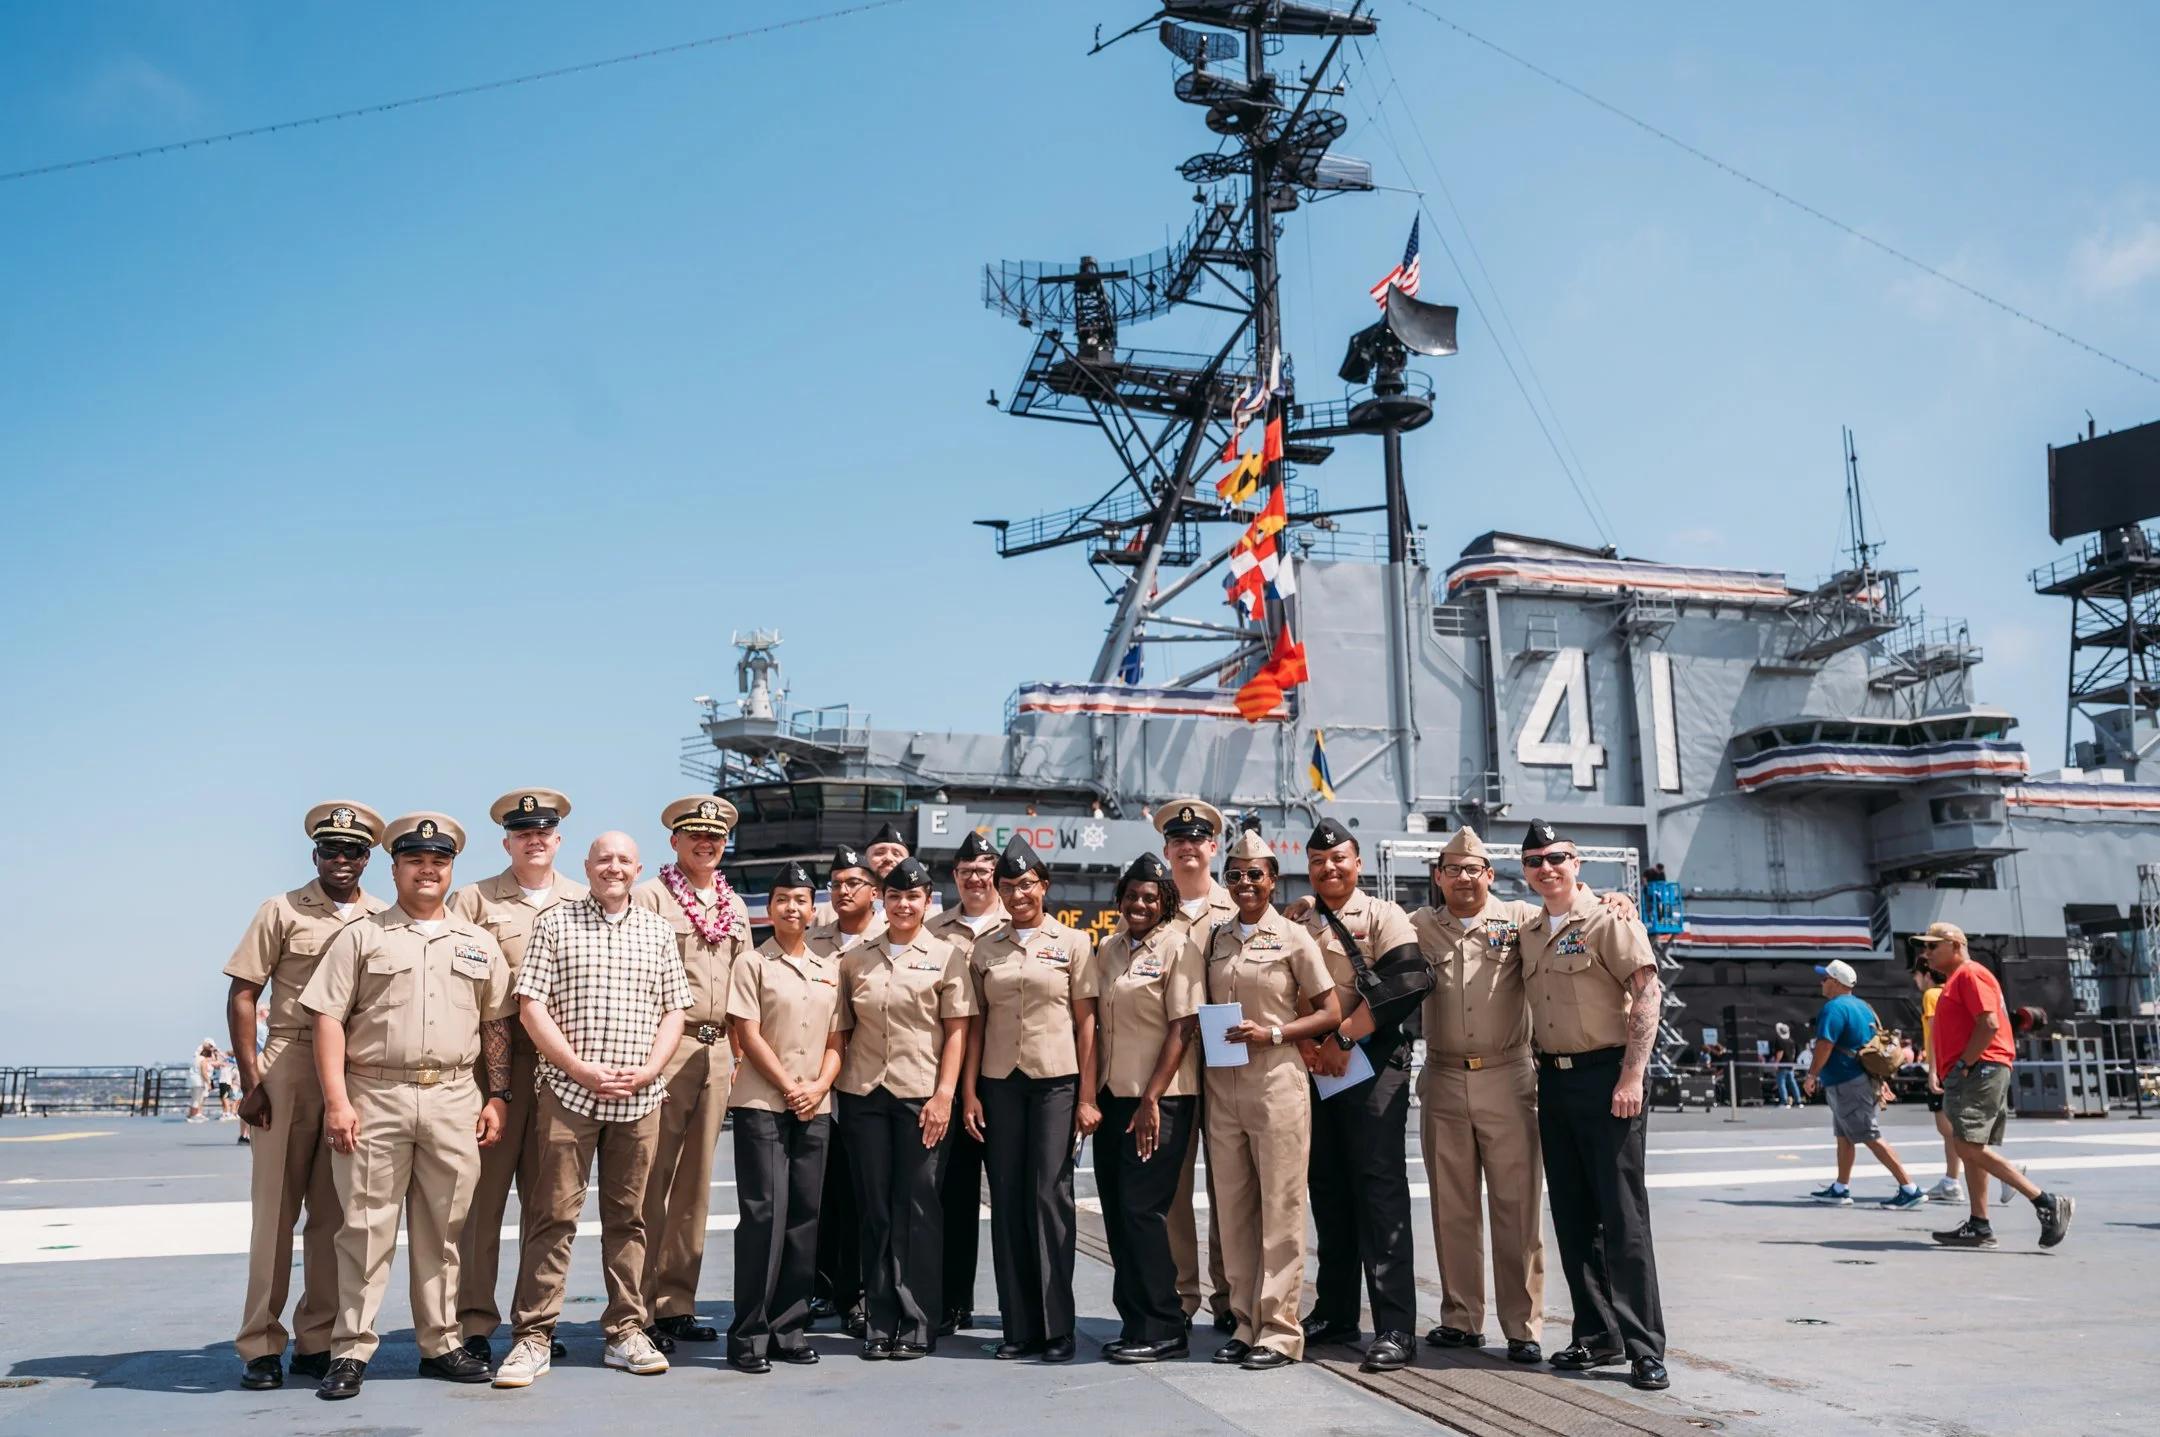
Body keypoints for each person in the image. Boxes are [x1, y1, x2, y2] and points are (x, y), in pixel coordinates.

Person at [300, 812, 515, 1400]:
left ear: (451, 870)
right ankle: (350, 1349)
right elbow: (327, 1020)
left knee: (444, 1230)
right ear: (393, 868)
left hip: (452, 1097)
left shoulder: (477, 943)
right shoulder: (361, 936)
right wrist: (337, 1101)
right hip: (375, 1096)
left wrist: (497, 1095)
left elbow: (496, 1022)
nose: (428, 869)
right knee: (365, 1229)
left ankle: (441, 1344)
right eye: (416, 860)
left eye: (439, 861)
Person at [493, 833, 690, 1388]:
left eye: (624, 860)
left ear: (638, 867)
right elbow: (530, 1004)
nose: (613, 867)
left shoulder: (657, 931)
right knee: (551, 1215)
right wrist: (578, 1067)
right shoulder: (555, 923)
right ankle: (533, 1336)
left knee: (630, 1219)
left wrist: (652, 1069)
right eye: (603, 859)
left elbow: (675, 1010)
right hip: (568, 1093)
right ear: (586, 866)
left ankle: (627, 1329)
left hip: (639, 1097)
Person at [225, 800, 388, 1391]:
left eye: (352, 851)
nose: (341, 859)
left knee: (336, 1215)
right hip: (290, 1061)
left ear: (369, 857)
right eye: (330, 849)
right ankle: (260, 1343)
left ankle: (316, 1339)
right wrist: (251, 1083)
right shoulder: (282, 910)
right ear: (314, 854)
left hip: (356, 1069)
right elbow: (244, 993)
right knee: (274, 1214)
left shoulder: (384, 916)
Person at [1516, 819, 1668, 1392]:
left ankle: (1644, 1346)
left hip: (1610, 1078)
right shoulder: (1529, 930)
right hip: (1554, 1082)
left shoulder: (1609, 919)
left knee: (1623, 1218)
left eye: (1557, 857)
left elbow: (1648, 991)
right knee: (1574, 1216)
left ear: (1576, 863)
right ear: (1524, 871)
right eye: (1535, 860)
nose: (1547, 868)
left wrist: (1632, 1075)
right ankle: (1596, 1332)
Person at [446, 787, 590, 1364]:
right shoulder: (474, 901)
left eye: (544, 833)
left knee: (551, 1204)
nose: (534, 840)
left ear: (558, 841)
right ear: (507, 841)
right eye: (522, 832)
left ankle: (537, 1326)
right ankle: (475, 1324)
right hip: (495, 1071)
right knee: (482, 1205)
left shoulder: (583, 900)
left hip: (565, 1070)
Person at [1407, 825, 1549, 1365]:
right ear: (1438, 877)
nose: (1464, 878)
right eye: (1453, 870)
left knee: (1517, 1207)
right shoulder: (1418, 925)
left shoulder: (1520, 920)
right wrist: (1305, 904)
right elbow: (1362, 919)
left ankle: (1523, 1326)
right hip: (1442, 1076)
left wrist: (1617, 899)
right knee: (1453, 1205)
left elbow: (1570, 913)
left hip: (1509, 1076)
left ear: (1490, 874)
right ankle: (1462, 1318)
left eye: (1474, 869)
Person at [1203, 827, 1343, 1371]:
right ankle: (1243, 1321)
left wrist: (1278, 1033)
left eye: (1254, 876)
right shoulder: (1215, 938)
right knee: (1234, 1209)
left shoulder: (1293, 937)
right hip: (1224, 1084)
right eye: (1234, 875)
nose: (1244, 884)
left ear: (1271, 880)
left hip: (1276, 1081)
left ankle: (1280, 1330)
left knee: (1281, 1208)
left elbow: (1329, 1011)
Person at [1291, 817, 1427, 1375]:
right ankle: (1337, 1311)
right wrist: (1314, 1047)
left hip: (1370, 1065)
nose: (1330, 868)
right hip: (1316, 1068)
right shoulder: (1297, 918)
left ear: (1358, 863)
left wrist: (1344, 1037)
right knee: (1327, 1189)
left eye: (1339, 858)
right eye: (1320, 861)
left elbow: (1409, 981)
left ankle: (1395, 1325)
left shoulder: (1383, 915)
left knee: (1379, 1193)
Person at [961, 836, 1098, 1363]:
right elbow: (975, 1026)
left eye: (1026, 885)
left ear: (1043, 886)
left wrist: (1087, 1095)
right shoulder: (985, 948)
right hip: (1000, 1083)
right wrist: (970, 1091)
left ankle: (1057, 1328)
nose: (1018, 894)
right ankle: (1019, 1327)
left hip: (1055, 1083)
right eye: (1008, 886)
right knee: (1007, 1202)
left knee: (1048, 1199)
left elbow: (1087, 1024)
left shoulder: (1073, 943)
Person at [833, 856, 976, 1359]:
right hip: (865, 1097)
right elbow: (841, 1031)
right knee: (874, 1210)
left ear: (927, 901)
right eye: (894, 896)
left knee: (918, 1209)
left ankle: (919, 1322)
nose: (902, 904)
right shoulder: (855, 960)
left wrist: (945, 1095)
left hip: (922, 1097)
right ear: (882, 900)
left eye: (912, 897)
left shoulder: (947, 956)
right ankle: (880, 1320)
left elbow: (958, 1031)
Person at [630, 796, 754, 1353]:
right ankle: (638, 1306)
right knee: (651, 1178)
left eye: (716, 838)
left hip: (719, 1048)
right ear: (675, 841)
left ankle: (677, 1302)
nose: (707, 845)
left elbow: (747, 985)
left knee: (696, 1184)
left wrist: (742, 1054)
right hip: (667, 1045)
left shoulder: (734, 904)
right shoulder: (649, 898)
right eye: (695, 836)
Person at [724, 860, 846, 1373]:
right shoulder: (752, 963)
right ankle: (749, 1334)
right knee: (762, 1215)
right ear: (769, 908)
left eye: (800, 900)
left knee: (804, 1218)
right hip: (762, 1103)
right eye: (781, 900)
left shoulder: (829, 966)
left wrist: (817, 1087)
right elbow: (747, 1033)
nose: (791, 908)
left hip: (814, 1105)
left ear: (812, 908)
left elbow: (838, 1040)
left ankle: (789, 1328)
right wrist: (791, 1087)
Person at [1092, 853, 1203, 1364]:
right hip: (1114, 1100)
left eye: (1150, 898)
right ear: (1121, 899)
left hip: (1161, 1101)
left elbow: (1183, 1025)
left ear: (1165, 904)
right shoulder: (1110, 950)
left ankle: (1165, 1325)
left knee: (1143, 1211)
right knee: (1117, 1213)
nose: (1140, 904)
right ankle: (1135, 1320)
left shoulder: (1179, 948)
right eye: (1133, 896)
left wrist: (1153, 1098)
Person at [1917, 924, 2073, 1249]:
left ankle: (2045, 1201)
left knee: (1969, 1148)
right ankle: (1979, 1225)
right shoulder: (1960, 978)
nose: (1926, 953)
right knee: (1969, 1146)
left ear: (1956, 945)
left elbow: (1988, 1023)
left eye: (1934, 947)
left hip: (1980, 1069)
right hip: (1977, 1069)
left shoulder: (1970, 974)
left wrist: (1965, 1064)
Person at [1155, 797, 1237, 1333]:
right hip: (1173, 1064)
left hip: (1231, 1060)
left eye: (1197, 840)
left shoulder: (1239, 911)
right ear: (1166, 850)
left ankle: (1230, 1294)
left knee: (1232, 1184)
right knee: (1173, 1187)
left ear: (1213, 847)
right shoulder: (1148, 912)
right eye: (1178, 841)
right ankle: (1182, 1295)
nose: (1188, 847)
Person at [924, 828, 1004, 1334]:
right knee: (952, 1195)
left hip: (1006, 1076)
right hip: (951, 1079)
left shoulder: (1019, 921)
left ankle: (1020, 1306)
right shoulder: (933, 930)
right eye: (966, 871)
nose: (976, 878)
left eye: (984, 870)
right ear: (955, 876)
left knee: (1015, 1196)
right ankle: (954, 1301)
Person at [810, 844, 884, 1335]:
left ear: (875, 893)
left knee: (861, 1196)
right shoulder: (811, 940)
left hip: (866, 1083)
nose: (842, 891)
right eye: (835, 884)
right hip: (814, 1083)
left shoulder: (890, 939)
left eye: (853, 883)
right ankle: (818, 1289)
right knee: (818, 1195)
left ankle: (858, 1294)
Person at [1802, 960, 1923, 1208]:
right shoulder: (1864, 1007)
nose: (1821, 982)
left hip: (1846, 1082)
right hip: (1859, 1078)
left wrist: (1812, 1075)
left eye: (1825, 978)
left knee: (1870, 1134)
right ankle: (1841, 1187)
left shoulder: (1833, 1008)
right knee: (1844, 1136)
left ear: (1836, 982)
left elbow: (1826, 1044)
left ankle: (1909, 1187)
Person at [1915, 961, 1965, 1201]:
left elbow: (1936, 1033)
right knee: (1952, 1129)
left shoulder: (1932, 994)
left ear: (1926, 975)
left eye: (1916, 975)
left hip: (1943, 1066)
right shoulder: (1952, 990)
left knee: (1949, 1129)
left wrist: (1932, 1070)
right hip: (1957, 1064)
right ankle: (1951, 1180)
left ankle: (2002, 1171)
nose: (1916, 980)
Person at [188, 1040, 215, 1121]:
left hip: (192, 1081)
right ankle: (194, 1115)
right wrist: (208, 1083)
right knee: (197, 1099)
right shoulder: (202, 1060)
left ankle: (191, 1115)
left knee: (193, 1099)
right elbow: (204, 1073)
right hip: (198, 1082)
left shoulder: (195, 1059)